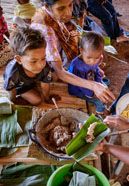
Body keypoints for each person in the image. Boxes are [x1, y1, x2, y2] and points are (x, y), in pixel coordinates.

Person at [31, 0, 115, 104]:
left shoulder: (52, 14)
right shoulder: (45, 29)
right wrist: (93, 85)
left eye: (70, 5)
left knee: (92, 58)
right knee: (57, 76)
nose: (68, 12)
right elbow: (60, 72)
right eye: (61, 8)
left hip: (57, 55)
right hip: (46, 66)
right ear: (47, 6)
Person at [3, 27, 51, 105]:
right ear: (19, 59)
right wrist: (13, 101)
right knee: (37, 100)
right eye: (33, 61)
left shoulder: (44, 66)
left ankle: (35, 84)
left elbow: (45, 84)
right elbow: (11, 90)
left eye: (43, 58)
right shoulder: (13, 74)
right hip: (20, 85)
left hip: (32, 80)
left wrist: (47, 98)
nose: (41, 65)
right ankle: (24, 93)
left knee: (53, 76)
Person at [68, 31, 107, 114]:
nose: (92, 61)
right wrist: (93, 93)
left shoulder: (97, 57)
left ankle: (101, 84)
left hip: (90, 80)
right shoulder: (77, 66)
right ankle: (100, 110)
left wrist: (99, 81)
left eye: (96, 58)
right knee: (99, 100)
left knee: (104, 88)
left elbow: (95, 69)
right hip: (79, 89)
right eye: (89, 57)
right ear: (81, 50)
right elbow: (81, 85)